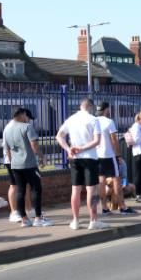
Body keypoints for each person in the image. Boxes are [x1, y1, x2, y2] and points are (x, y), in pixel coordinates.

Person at [56, 98, 108, 231]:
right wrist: (83, 148)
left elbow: (59, 136)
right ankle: (93, 221)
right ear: (91, 108)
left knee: (76, 190)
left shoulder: (71, 119)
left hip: (74, 158)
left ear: (80, 106)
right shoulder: (93, 119)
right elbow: (97, 141)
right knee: (90, 189)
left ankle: (75, 221)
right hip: (89, 158)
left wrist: (68, 149)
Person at [3, 107, 52, 227]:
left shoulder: (7, 129)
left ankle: (24, 219)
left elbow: (7, 149)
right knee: (37, 189)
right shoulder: (27, 127)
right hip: (29, 164)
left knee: (21, 190)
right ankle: (38, 218)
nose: (27, 119)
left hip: (15, 165)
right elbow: (34, 144)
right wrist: (42, 157)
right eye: (26, 116)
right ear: (22, 117)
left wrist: (12, 162)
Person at [94, 102, 135, 216]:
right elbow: (114, 140)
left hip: (96, 155)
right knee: (117, 180)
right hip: (108, 155)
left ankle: (104, 208)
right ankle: (123, 207)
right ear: (107, 109)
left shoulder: (93, 121)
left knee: (101, 182)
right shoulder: (109, 122)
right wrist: (118, 155)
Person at [3, 115, 34, 223]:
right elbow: (8, 147)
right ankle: (13, 212)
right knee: (14, 185)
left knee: (24, 185)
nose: (29, 120)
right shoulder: (11, 127)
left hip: (20, 160)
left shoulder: (22, 126)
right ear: (22, 117)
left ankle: (29, 209)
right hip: (13, 160)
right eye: (28, 117)